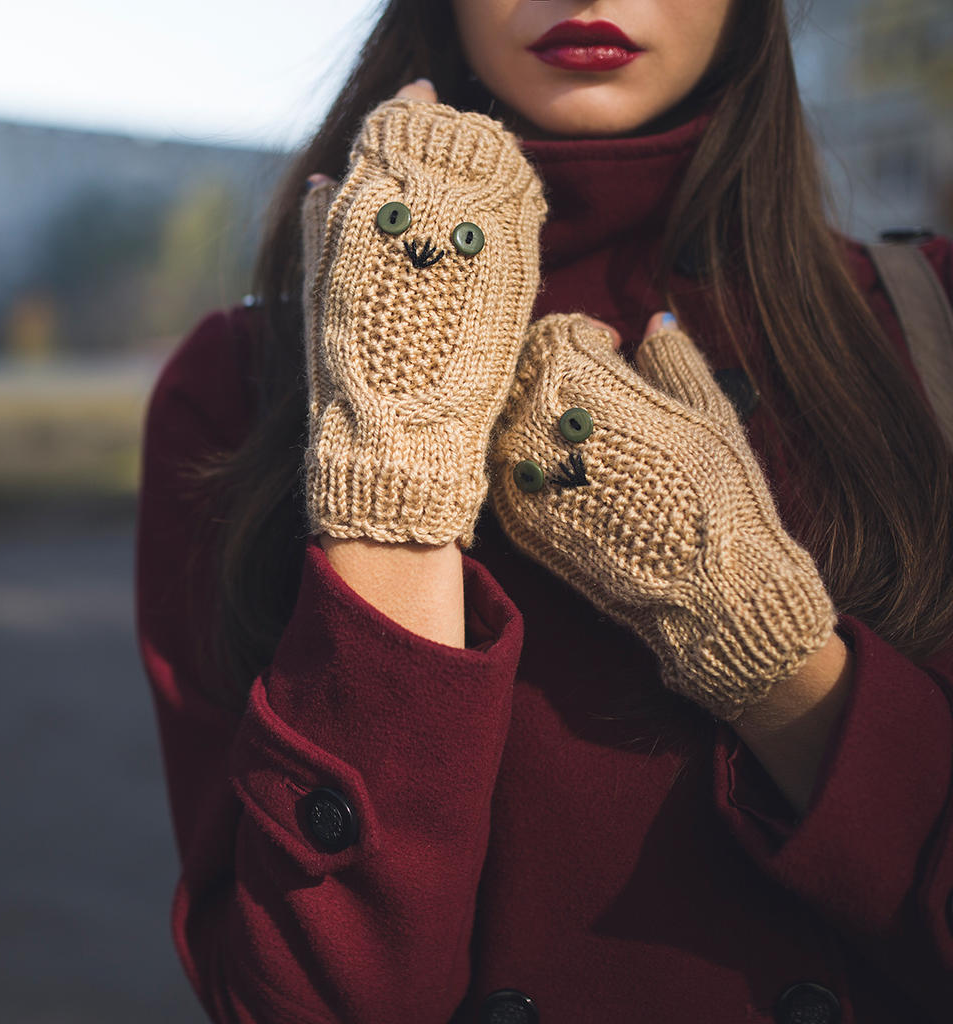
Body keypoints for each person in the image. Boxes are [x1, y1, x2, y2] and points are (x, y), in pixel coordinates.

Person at [134, 1, 953, 1021]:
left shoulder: (927, 330)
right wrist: (392, 466)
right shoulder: (234, 385)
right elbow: (308, 1000)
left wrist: (747, 619)